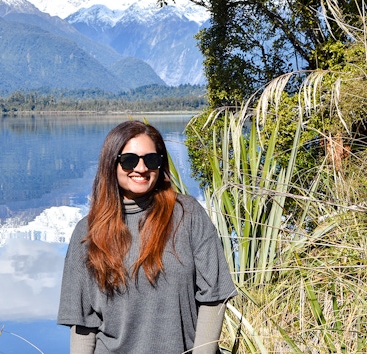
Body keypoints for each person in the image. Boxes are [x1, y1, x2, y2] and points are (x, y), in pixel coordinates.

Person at [58, 120, 236, 353]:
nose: (141, 169)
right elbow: (83, 324)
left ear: (160, 165)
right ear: (111, 165)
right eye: (129, 160)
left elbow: (214, 297)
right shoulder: (87, 231)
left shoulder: (187, 215)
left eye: (151, 160)